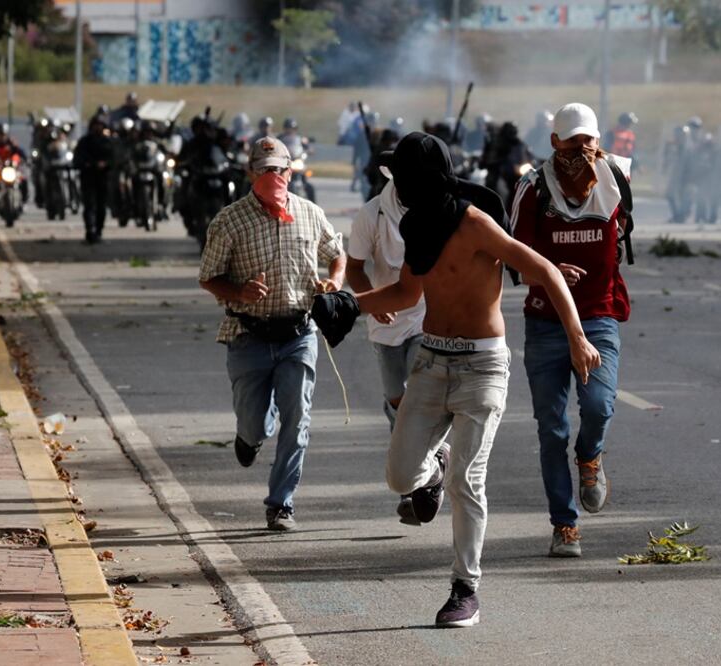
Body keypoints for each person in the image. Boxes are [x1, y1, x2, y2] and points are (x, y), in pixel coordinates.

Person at [353, 131, 601, 628]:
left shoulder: (474, 223)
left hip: (483, 366)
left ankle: (465, 589)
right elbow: (404, 294)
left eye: (402, 178)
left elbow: (546, 271)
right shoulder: (417, 226)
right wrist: (344, 305)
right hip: (431, 359)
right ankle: (433, 469)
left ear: (419, 181)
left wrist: (577, 336)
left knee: (470, 480)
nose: (396, 186)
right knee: (400, 477)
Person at [198, 136, 345, 532]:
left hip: (298, 334)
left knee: (297, 418)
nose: (271, 176)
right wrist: (240, 291)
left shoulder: (310, 214)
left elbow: (337, 253)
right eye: (263, 169)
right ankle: (249, 437)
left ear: (290, 171)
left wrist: (333, 281)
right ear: (250, 173)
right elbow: (208, 277)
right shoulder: (229, 221)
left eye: (278, 169)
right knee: (255, 423)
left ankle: (281, 504)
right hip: (248, 335)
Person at [509, 102, 630, 559]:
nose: (583, 148)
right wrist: (549, 271)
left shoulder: (617, 178)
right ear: (555, 142)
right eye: (573, 139)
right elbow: (511, 256)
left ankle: (591, 456)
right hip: (545, 323)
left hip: (599, 316)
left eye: (590, 139)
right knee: (550, 429)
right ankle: (564, 524)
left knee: (598, 405)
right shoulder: (531, 187)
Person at [345, 173, 428, 524]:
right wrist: (371, 302)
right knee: (398, 400)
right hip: (385, 322)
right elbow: (354, 268)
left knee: (421, 398)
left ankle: (419, 483)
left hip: (426, 317)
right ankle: (410, 470)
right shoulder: (372, 213)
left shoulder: (434, 209)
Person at [73, 115, 115, 243]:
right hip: (88, 177)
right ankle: (90, 230)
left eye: (100, 125)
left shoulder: (108, 142)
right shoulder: (84, 142)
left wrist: (105, 164)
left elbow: (114, 160)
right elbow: (77, 160)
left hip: (103, 178)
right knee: (89, 205)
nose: (98, 127)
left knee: (101, 207)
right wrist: (88, 164)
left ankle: (98, 230)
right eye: (96, 125)